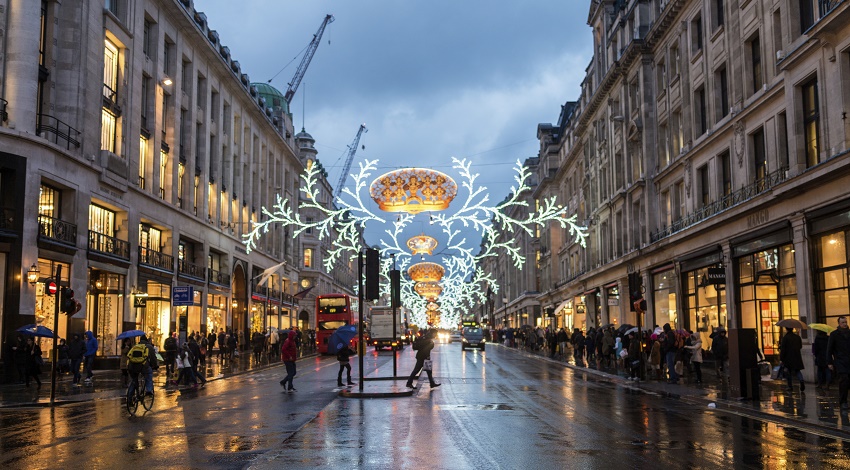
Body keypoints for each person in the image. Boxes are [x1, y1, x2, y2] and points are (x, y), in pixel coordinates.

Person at [828, 316, 850, 412]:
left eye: (845, 322)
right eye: (843, 322)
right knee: (844, 380)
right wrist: (829, 362)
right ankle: (843, 401)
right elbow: (829, 349)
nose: (845, 324)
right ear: (839, 323)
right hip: (840, 361)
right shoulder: (834, 334)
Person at [779, 326, 805, 392]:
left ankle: (790, 386)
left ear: (786, 329)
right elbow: (800, 346)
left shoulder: (785, 338)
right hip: (797, 356)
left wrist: (781, 359)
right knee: (797, 371)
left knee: (788, 372)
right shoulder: (797, 337)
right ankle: (801, 380)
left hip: (788, 357)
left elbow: (783, 350)